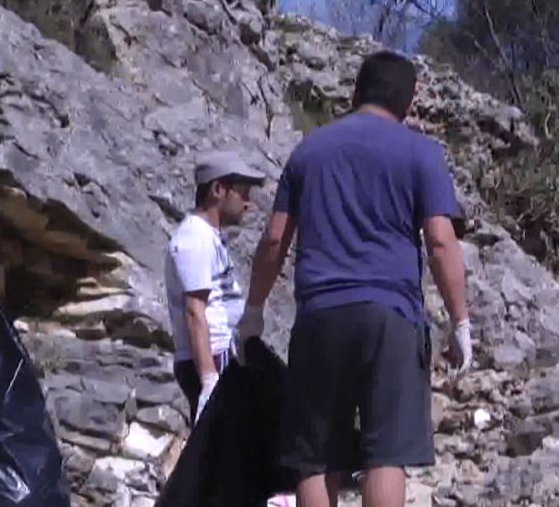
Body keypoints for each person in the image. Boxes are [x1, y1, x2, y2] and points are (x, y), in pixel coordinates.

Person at [234, 50, 473, 507]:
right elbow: (441, 242)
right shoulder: (422, 153)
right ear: (409, 102)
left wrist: (254, 312)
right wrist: (459, 322)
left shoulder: (310, 150)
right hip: (393, 317)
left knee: (316, 457)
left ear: (355, 92)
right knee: (386, 454)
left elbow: (273, 240)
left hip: (321, 315)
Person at [164, 151, 265, 425]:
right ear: (218, 190)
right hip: (210, 359)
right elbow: (195, 311)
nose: (248, 203)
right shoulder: (194, 238)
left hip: (222, 355)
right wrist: (209, 379)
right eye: (242, 193)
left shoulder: (209, 237)